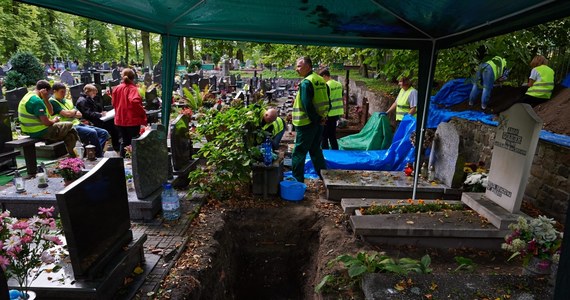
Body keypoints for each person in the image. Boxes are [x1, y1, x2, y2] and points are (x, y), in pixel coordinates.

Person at [291, 57, 329, 183]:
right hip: (319, 123)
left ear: (308, 66)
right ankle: (325, 178)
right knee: (315, 150)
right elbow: (327, 100)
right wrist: (322, 118)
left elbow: (307, 105)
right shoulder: (320, 80)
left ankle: (297, 182)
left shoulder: (306, 83)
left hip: (307, 123)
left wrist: (316, 119)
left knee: (298, 153)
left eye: (299, 66)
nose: (297, 69)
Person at [17, 80, 79, 157]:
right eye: (48, 93)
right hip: (39, 131)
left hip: (29, 130)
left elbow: (50, 111)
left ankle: (71, 156)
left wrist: (45, 98)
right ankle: (74, 156)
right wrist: (54, 120)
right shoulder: (36, 101)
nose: (49, 95)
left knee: (69, 135)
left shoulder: (29, 96)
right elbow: (46, 122)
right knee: (70, 126)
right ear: (44, 90)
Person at [49, 82, 110, 157]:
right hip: (68, 127)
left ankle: (94, 153)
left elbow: (80, 114)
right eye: (61, 92)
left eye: (64, 92)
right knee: (92, 132)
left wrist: (72, 113)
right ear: (54, 91)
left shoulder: (67, 101)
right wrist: (73, 113)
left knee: (104, 133)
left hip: (78, 123)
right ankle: (98, 155)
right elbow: (67, 114)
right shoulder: (52, 102)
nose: (64, 94)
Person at [112, 68, 147, 158]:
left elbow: (113, 103)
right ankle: (133, 162)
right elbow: (134, 102)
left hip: (119, 119)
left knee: (124, 141)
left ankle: (123, 161)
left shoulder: (117, 88)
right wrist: (142, 113)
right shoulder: (132, 89)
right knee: (133, 141)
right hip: (132, 120)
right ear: (133, 77)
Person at [76, 84, 120, 152]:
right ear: (87, 92)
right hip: (91, 121)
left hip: (96, 119)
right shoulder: (82, 101)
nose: (94, 95)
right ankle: (99, 149)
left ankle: (116, 145)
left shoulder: (89, 98)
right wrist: (99, 114)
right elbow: (88, 113)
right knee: (112, 126)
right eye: (93, 93)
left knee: (114, 123)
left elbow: (95, 109)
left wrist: (101, 112)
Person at [318, 69, 343, 150]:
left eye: (321, 78)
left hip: (328, 113)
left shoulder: (326, 85)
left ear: (325, 76)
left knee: (324, 136)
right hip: (337, 113)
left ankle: (325, 154)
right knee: (332, 135)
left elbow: (324, 99)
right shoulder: (339, 84)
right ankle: (336, 152)